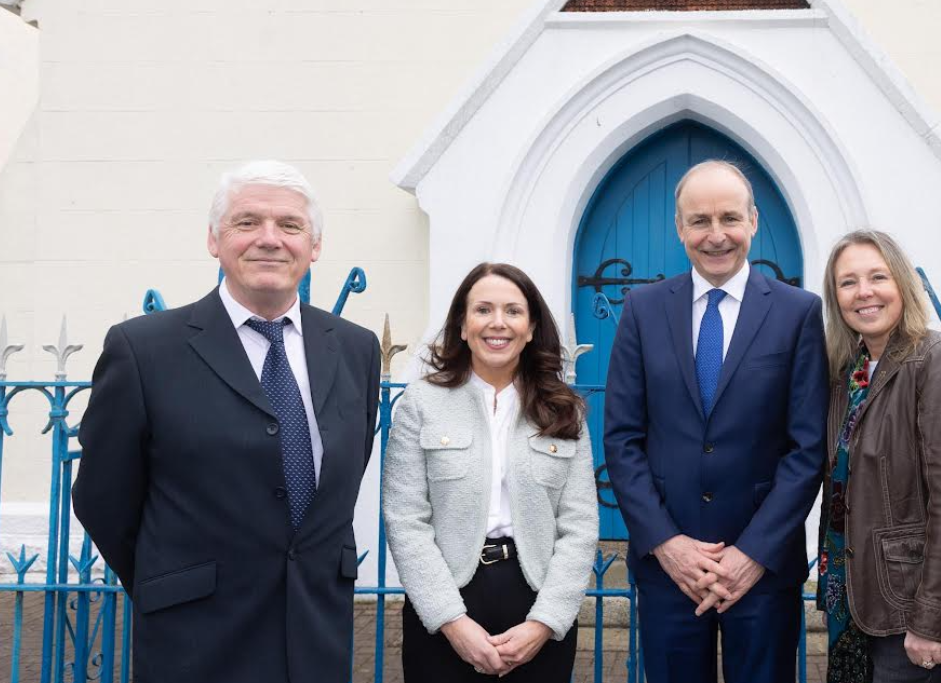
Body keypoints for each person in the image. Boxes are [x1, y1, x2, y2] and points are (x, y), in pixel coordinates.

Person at [72, 160, 381, 682]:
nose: (269, 239)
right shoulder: (144, 349)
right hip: (193, 643)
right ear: (214, 240)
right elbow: (103, 499)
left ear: (315, 246)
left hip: (314, 640)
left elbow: (342, 479)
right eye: (246, 222)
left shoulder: (355, 348)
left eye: (289, 225)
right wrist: (173, 581)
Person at [603, 159, 829, 683]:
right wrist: (666, 544)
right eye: (700, 221)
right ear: (680, 229)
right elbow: (621, 438)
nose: (716, 235)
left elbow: (807, 447)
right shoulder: (642, 308)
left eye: (730, 217)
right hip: (668, 571)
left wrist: (753, 553)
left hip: (763, 570)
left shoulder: (798, 313)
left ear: (752, 220)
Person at [382, 262, 597, 682]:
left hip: (535, 597)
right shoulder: (421, 404)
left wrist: (544, 622)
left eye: (513, 311)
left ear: (532, 327)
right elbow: (405, 519)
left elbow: (580, 525)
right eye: (482, 310)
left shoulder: (563, 409)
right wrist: (451, 621)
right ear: (462, 325)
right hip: (446, 600)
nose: (497, 323)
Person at [817, 230, 941, 683]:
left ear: (901, 283)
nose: (864, 293)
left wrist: (931, 618)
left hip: (912, 603)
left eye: (878, 276)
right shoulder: (849, 372)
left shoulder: (937, 361)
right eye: (848, 282)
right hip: (853, 596)